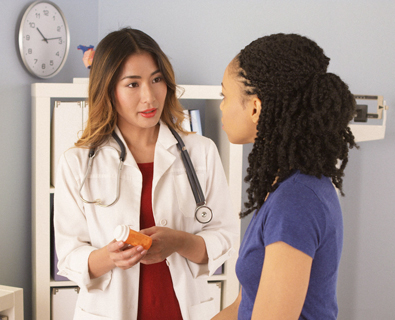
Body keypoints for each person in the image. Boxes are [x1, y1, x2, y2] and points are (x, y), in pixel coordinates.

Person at [54, 27, 238, 320]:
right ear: (108, 89)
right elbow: (68, 255)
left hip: (183, 311)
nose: (149, 96)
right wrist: (109, 257)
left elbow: (226, 238)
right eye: (132, 84)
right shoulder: (76, 162)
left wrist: (178, 241)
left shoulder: (201, 151)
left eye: (156, 79)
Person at [212, 33, 357, 320]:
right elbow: (244, 306)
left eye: (224, 96)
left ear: (255, 108)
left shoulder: (296, 201)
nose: (221, 106)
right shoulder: (286, 189)